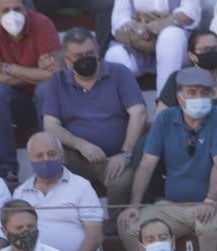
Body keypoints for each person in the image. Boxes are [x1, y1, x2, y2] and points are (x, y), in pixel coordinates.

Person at [120, 67, 217, 251]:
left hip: (209, 203)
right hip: (171, 207)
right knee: (129, 227)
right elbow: (147, 164)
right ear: (180, 96)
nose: (199, 97)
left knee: (209, 229)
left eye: (204, 92)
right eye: (192, 92)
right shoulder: (165, 118)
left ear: (212, 95)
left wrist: (210, 200)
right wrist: (135, 204)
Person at [38, 28, 145, 203]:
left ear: (97, 49)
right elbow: (50, 125)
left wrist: (126, 153)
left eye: (90, 53)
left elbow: (138, 112)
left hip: (115, 158)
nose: (85, 59)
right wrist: (81, 145)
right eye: (78, 56)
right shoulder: (58, 81)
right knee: (50, 160)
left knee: (123, 182)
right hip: (75, 156)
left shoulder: (119, 73)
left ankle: (114, 229)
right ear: (66, 59)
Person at [0, 0, 61, 184]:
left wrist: (11, 69)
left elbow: (54, 76)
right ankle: (7, 168)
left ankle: (51, 161)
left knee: (45, 89)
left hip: (44, 102)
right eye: (5, 11)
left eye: (17, 9)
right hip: (14, 102)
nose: (12, 15)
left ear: (26, 8)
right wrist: (36, 73)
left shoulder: (42, 23)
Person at [12, 133, 104, 251]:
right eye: (39, 155)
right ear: (30, 159)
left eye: (51, 154)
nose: (46, 159)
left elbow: (94, 236)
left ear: (62, 155)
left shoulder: (81, 186)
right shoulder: (21, 193)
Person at [153, 30, 217, 131]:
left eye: (215, 49)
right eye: (205, 50)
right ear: (192, 55)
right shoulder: (176, 79)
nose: (211, 53)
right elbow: (161, 118)